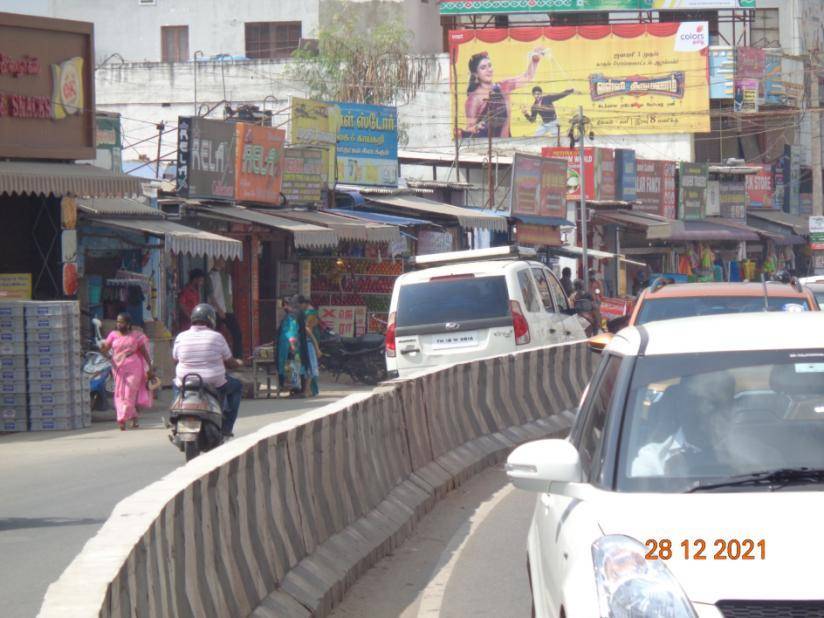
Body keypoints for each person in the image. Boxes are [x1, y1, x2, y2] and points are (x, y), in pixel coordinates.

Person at [173, 303, 243, 437]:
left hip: (185, 381)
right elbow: (230, 362)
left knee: (176, 383)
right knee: (237, 387)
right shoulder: (217, 337)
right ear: (211, 320)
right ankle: (226, 427)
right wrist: (239, 363)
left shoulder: (181, 337)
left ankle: (176, 413)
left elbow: (175, 359)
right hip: (214, 382)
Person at [463, 48, 544, 138]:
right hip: (487, 145)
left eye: (490, 65)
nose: (489, 70)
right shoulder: (474, 98)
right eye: (483, 68)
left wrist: (534, 60)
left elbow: (528, 76)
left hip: (507, 141)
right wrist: (477, 127)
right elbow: (469, 129)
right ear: (475, 74)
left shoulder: (504, 86)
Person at [99, 313, 154, 430]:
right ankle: (133, 417)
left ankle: (122, 418)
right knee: (119, 393)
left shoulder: (136, 336)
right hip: (118, 368)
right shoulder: (113, 335)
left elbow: (144, 352)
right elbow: (105, 349)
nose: (119, 324)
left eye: (121, 322)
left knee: (129, 393)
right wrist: (105, 351)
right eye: (118, 322)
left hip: (134, 367)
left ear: (128, 324)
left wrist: (150, 366)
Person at [206, 258, 243, 358]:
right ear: (216, 259)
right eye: (222, 259)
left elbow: (230, 294)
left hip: (228, 310)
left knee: (237, 334)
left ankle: (237, 359)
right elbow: (211, 295)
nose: (224, 262)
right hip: (215, 311)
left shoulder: (227, 277)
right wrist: (219, 309)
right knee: (213, 336)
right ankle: (212, 358)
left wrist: (230, 307)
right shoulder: (210, 276)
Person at [277, 297, 311, 398]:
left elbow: (291, 331)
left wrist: (292, 344)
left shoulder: (293, 315)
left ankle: (299, 390)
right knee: (300, 366)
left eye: (285, 305)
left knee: (295, 367)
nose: (284, 307)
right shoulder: (298, 313)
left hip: (295, 347)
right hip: (299, 345)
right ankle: (300, 390)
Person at [299, 295, 321, 397]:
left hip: (309, 343)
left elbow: (307, 329)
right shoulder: (309, 313)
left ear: (305, 304)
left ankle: (307, 390)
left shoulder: (310, 313)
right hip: (307, 342)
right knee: (309, 367)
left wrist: (316, 348)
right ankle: (309, 390)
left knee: (310, 368)